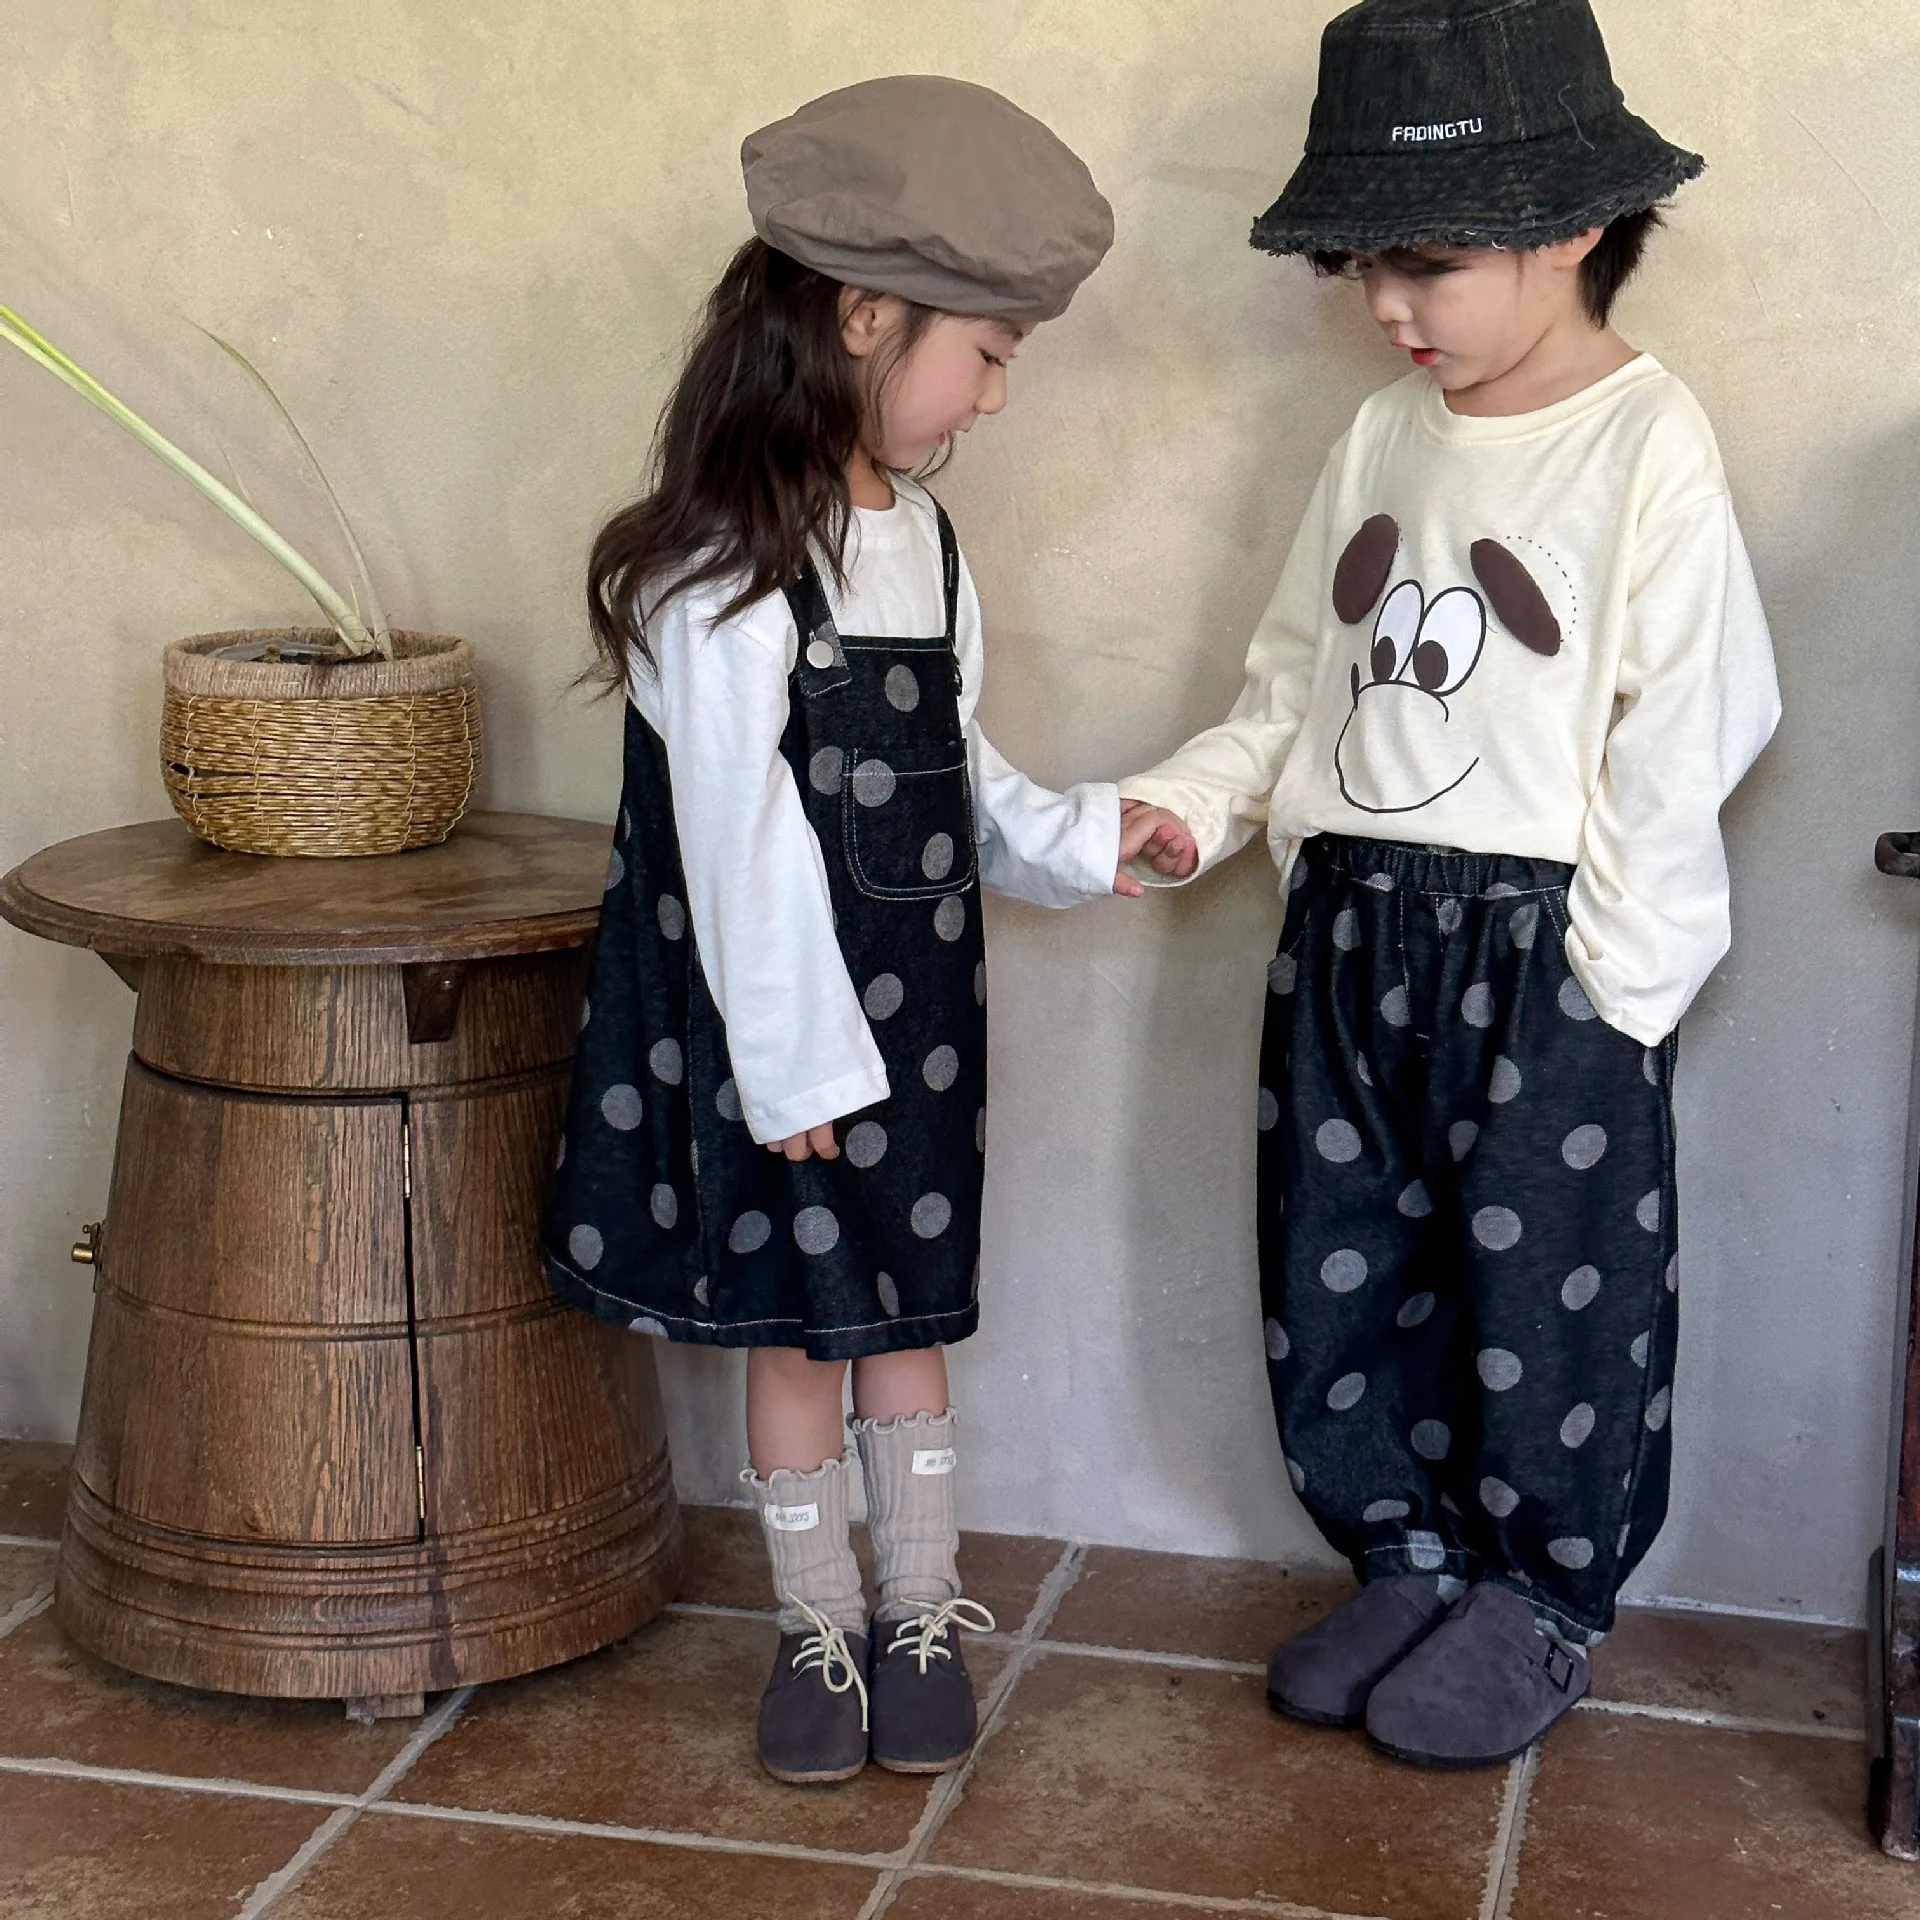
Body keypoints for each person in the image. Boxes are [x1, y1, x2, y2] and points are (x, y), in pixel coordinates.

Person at [1120, 0, 1780, 1768]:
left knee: (1549, 1289)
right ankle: (1404, 1555)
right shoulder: (1380, 438)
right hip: (1350, 929)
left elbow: (1693, 720)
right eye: (1363, 268)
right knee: (1342, 1263)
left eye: (1425, 264)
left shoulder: (1646, 441)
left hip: (1539, 946)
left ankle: (1538, 1600)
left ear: (1572, 228)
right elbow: (1296, 677)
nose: (1388, 307)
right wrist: (1194, 806)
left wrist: (1617, 976)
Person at [543, 74, 1185, 1786]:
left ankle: (918, 1613)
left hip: (917, 1029)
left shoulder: (929, 548)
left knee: (904, 1318)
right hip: (790, 1045)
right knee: (795, 1333)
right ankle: (815, 1622)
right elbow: (737, 837)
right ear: (862, 313)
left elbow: (954, 775)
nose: (992, 394)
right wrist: (797, 1068)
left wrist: (1088, 837)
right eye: (986, 354)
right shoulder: (719, 569)